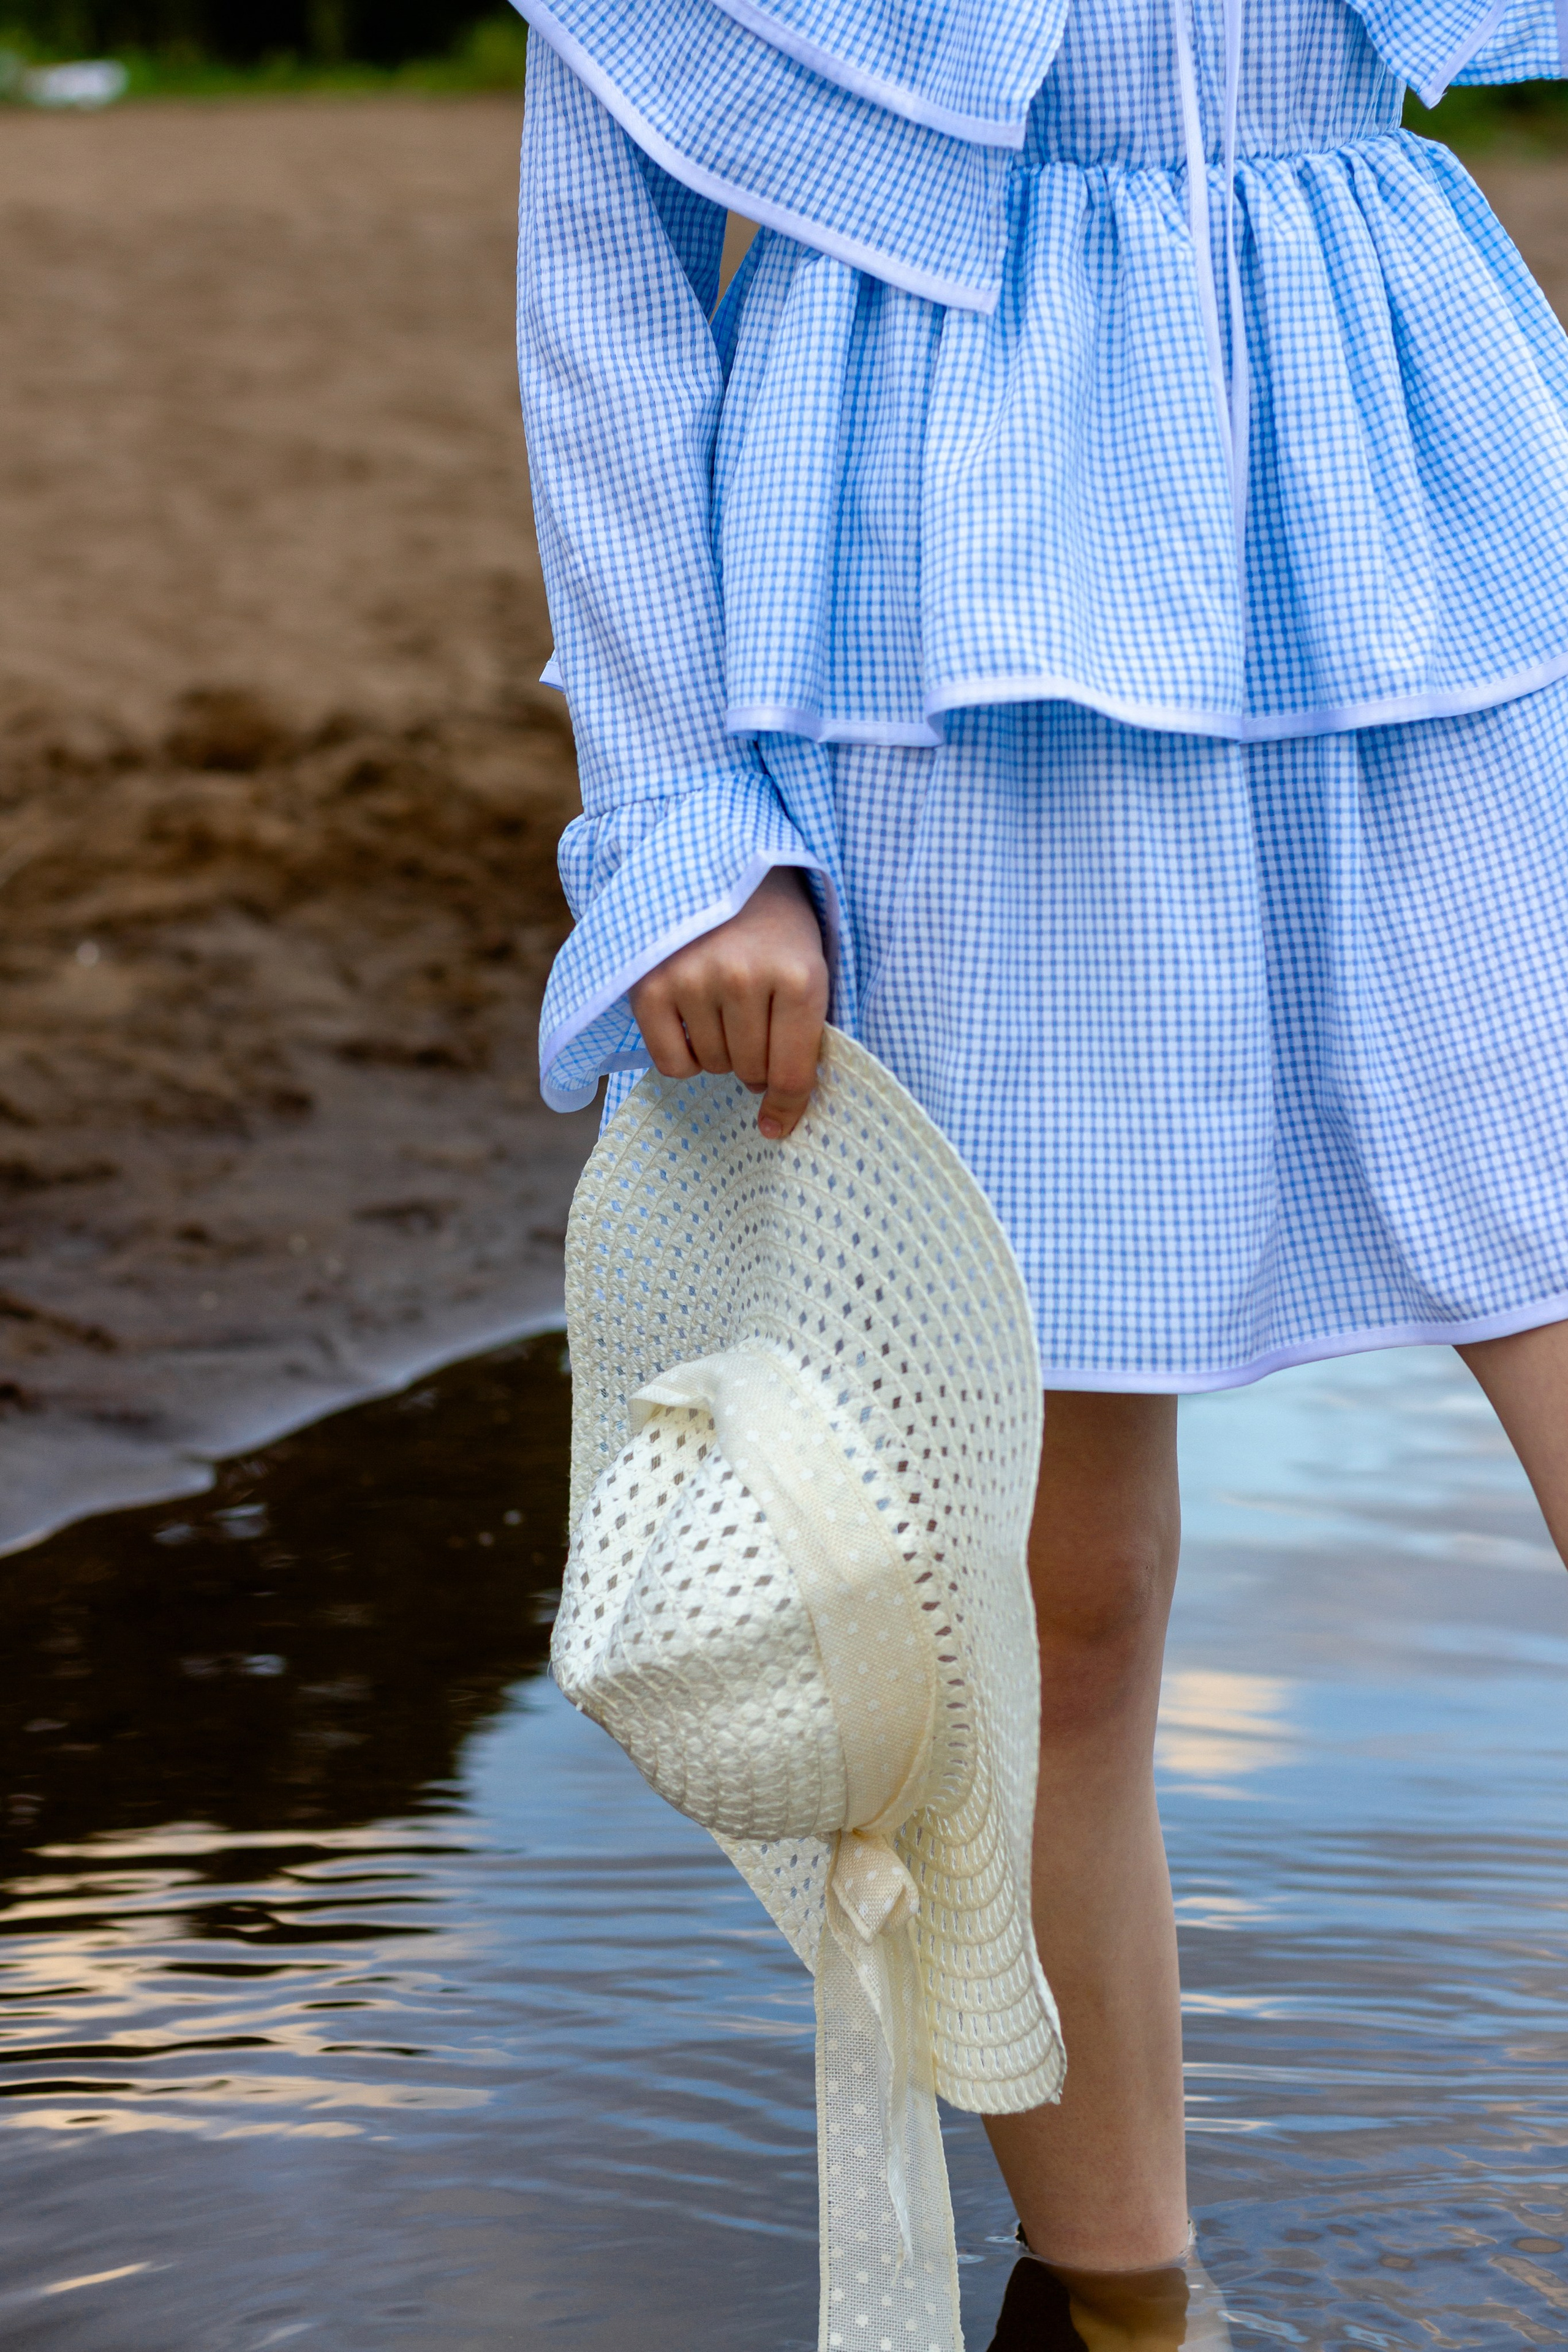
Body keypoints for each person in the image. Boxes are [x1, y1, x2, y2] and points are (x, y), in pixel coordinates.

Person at [513, 0, 1568, 2306]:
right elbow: (605, 260)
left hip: (1424, 528)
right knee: (1046, 1612)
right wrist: (684, 825)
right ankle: (1127, 2302)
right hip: (938, 605)